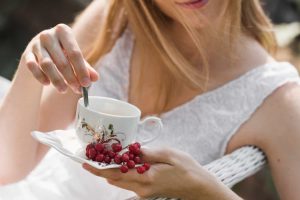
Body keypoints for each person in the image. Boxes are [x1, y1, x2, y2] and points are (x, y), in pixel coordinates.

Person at [0, 0, 300, 199]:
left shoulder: (278, 98)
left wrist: (206, 190)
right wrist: (33, 62)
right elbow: (10, 167)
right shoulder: (114, 17)